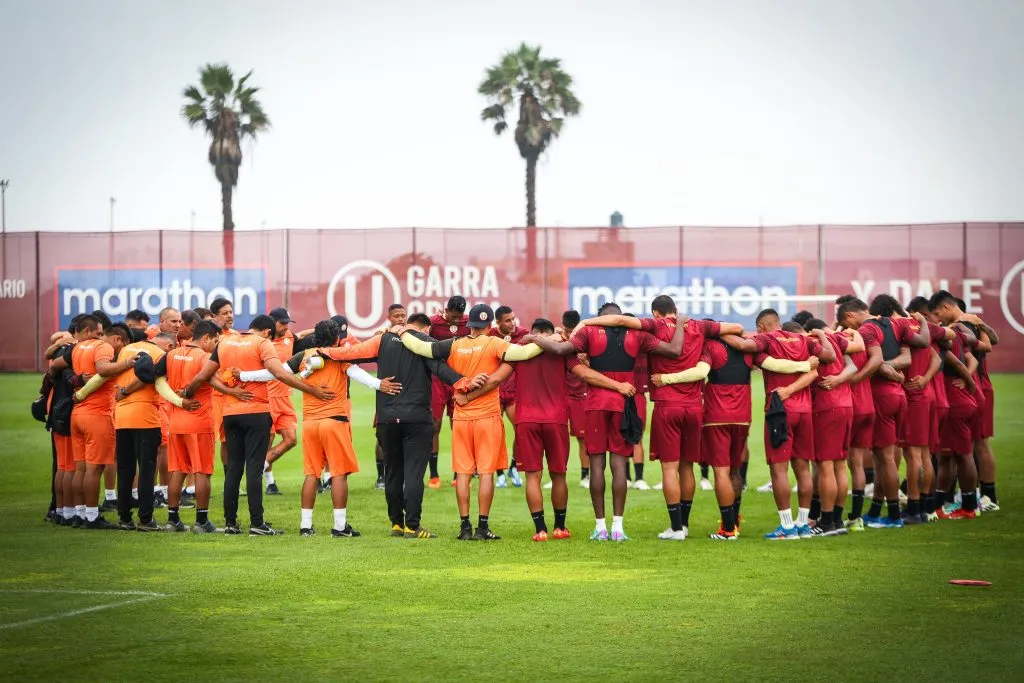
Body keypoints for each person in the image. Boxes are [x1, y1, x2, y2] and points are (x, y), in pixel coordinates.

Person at [574, 299, 741, 540]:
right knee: (687, 467)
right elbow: (736, 328)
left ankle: (675, 528)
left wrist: (586, 323)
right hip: (695, 406)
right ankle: (684, 525)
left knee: (668, 468)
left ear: (655, 312)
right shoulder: (699, 326)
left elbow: (620, 322)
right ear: (676, 309)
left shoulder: (654, 326)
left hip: (666, 405)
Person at [529, 301, 683, 542]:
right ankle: (618, 528)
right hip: (624, 403)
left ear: (600, 317)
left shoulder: (589, 332)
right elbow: (674, 350)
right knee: (619, 465)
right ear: (619, 317)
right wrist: (680, 322)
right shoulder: (638, 335)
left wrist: (534, 338)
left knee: (597, 465)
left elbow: (559, 350)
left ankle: (600, 527)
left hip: (596, 405)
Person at [400, 304, 544, 540]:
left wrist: (403, 332)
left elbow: (421, 348)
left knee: (463, 473)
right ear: (490, 325)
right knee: (486, 473)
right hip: (487, 416)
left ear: (470, 324)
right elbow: (526, 353)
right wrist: (550, 340)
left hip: (462, 417)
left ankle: (465, 527)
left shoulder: (455, 344)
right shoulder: (494, 343)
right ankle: (482, 527)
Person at [182, 314, 333, 536]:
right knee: (254, 469)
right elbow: (279, 373)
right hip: (256, 412)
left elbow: (204, 374)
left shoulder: (224, 342)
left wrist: (186, 394)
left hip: (230, 414)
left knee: (233, 469)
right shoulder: (262, 344)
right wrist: (312, 390)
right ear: (268, 332)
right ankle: (257, 523)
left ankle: (231, 523)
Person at [722, 309, 832, 540]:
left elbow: (742, 346)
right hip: (805, 410)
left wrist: (717, 332)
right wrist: (819, 340)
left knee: (778, 469)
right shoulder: (803, 339)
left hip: (779, 411)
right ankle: (803, 525)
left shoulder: (767, 339)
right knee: (803, 467)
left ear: (761, 327)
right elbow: (828, 357)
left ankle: (787, 527)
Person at [370, 313, 475, 538]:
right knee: (414, 474)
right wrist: (463, 382)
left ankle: (396, 524)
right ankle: (412, 526)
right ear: (426, 329)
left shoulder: (383, 340)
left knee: (393, 472)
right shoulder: (424, 343)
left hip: (387, 419)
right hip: (416, 418)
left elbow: (352, 356)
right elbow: (440, 369)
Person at [838, 296, 929, 528]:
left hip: (881, 397)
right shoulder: (896, 323)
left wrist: (857, 378)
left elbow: (876, 360)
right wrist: (892, 370)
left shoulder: (867, 330)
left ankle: (895, 516)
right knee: (884, 457)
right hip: (899, 396)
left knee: (886, 459)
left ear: (850, 315)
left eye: (848, 324)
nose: (850, 329)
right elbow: (909, 356)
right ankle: (877, 510)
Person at [161, 321, 230, 532]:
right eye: (215, 341)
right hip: (199, 421)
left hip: (176, 421)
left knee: (177, 471)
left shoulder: (172, 354)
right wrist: (233, 389)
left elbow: (158, 379)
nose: (216, 346)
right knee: (202, 472)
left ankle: (172, 520)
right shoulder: (204, 357)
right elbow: (215, 381)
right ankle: (201, 522)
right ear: (206, 337)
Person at [69, 321, 134, 529]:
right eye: (123, 346)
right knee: (94, 470)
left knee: (80, 469)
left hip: (78, 414)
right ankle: (91, 517)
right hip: (97, 415)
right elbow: (103, 369)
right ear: (117, 339)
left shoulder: (80, 346)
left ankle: (79, 514)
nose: (121, 352)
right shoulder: (103, 346)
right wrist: (128, 363)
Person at [802, 318, 863, 536]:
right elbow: (853, 364)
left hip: (826, 407)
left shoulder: (812, 342)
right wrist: (839, 379)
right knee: (839, 465)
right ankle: (836, 520)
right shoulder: (836, 338)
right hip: (846, 405)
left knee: (825, 466)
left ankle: (826, 522)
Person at [927, 291, 983, 519]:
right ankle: (940, 505)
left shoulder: (943, 338)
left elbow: (960, 365)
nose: (936, 318)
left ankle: (969, 507)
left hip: (955, 402)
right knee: (948, 456)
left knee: (963, 455)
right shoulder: (957, 333)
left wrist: (969, 382)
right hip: (961, 400)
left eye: (936, 313)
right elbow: (973, 358)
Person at [428, 296, 470, 486]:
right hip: (437, 379)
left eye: (459, 316)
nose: (457, 320)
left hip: (458, 379)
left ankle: (458, 474)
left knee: (459, 426)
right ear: (446, 310)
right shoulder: (433, 323)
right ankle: (434, 475)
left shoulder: (468, 322)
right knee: (434, 425)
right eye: (454, 316)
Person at [490, 305, 529, 489]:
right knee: (495, 434)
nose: (512, 323)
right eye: (508, 320)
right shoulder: (489, 335)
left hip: (515, 392)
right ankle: (499, 473)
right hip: (495, 392)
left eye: (513, 318)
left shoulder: (524, 334)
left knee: (521, 429)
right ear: (498, 322)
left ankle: (514, 467)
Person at [263, 307, 299, 496]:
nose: (286, 327)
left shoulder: (290, 337)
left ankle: (259, 467)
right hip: (267, 399)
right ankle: (270, 483)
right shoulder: (262, 342)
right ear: (272, 322)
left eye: (287, 323)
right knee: (267, 441)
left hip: (285, 398)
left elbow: (301, 336)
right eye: (282, 323)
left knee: (291, 439)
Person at [559, 311, 590, 489]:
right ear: (562, 326)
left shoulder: (587, 341)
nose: (571, 335)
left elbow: (597, 370)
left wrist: (585, 361)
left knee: (583, 438)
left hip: (581, 396)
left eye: (573, 331)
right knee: (558, 438)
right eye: (567, 331)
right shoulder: (557, 342)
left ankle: (585, 476)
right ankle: (558, 474)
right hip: (561, 396)